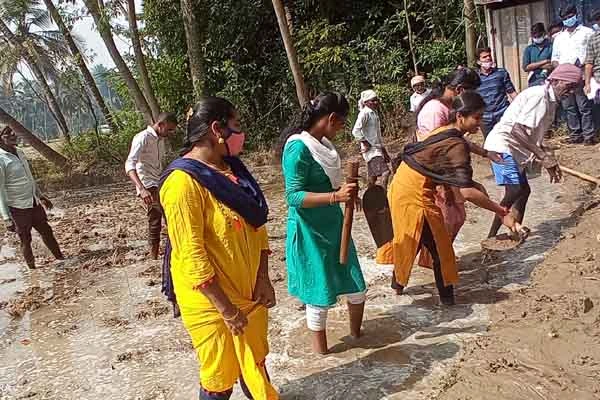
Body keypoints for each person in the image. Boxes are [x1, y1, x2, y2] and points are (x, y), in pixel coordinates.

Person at [159, 97, 278, 400]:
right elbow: (191, 254)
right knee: (220, 375)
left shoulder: (235, 170)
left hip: (249, 288)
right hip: (211, 301)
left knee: (255, 362)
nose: (241, 133)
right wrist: (226, 308)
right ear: (217, 129)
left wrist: (263, 277)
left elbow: (256, 223)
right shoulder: (182, 183)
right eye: (236, 125)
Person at [388, 91, 518, 305]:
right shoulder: (456, 145)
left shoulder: (447, 130)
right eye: (476, 117)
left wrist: (486, 154)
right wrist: (501, 211)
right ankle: (448, 304)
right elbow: (466, 192)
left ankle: (397, 290)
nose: (480, 122)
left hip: (403, 184)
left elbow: (465, 143)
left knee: (417, 239)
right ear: (460, 117)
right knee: (440, 247)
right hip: (413, 192)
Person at [281, 92, 366, 355]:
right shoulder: (297, 148)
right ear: (330, 118)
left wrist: (345, 192)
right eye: (341, 124)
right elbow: (293, 196)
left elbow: (327, 183)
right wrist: (335, 196)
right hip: (309, 230)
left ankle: (356, 337)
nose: (341, 130)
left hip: (334, 224)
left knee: (356, 286)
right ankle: (322, 355)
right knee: (319, 294)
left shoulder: (325, 145)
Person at [485, 64, 581, 238]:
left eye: (575, 88)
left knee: (523, 190)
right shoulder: (540, 97)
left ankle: (514, 233)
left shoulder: (550, 101)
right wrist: (542, 156)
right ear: (556, 80)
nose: (571, 92)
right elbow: (517, 130)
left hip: (514, 149)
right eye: (569, 86)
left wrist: (548, 157)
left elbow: (533, 135)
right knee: (514, 190)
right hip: (501, 147)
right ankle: (491, 237)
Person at [0, 127, 63, 269]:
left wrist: (40, 196)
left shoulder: (20, 153)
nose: (12, 135)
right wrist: (6, 218)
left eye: (13, 132)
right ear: (0, 139)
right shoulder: (1, 159)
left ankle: (61, 259)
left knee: (47, 231)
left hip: (33, 202)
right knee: (25, 239)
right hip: (17, 207)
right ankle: (32, 271)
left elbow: (30, 178)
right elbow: (1, 190)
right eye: (7, 133)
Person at [125, 112, 177, 260]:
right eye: (169, 130)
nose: (170, 133)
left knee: (159, 217)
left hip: (159, 181)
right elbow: (129, 164)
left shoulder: (160, 140)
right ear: (160, 125)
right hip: (147, 184)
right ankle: (158, 256)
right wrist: (141, 189)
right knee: (162, 215)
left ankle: (158, 255)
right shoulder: (142, 138)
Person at [552, 4, 595, 144]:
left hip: (581, 75)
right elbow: (554, 58)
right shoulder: (559, 38)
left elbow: (592, 54)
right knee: (569, 107)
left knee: (584, 106)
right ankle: (575, 135)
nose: (568, 20)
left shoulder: (587, 33)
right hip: (564, 78)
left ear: (576, 15)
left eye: (570, 17)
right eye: (565, 18)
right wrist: (561, 70)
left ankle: (589, 135)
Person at [352, 90, 391, 187]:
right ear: (365, 102)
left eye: (376, 100)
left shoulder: (374, 113)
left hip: (376, 149)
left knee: (372, 177)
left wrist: (384, 150)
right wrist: (365, 142)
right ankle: (383, 193)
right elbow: (355, 131)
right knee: (386, 172)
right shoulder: (364, 113)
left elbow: (377, 134)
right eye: (372, 101)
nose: (375, 103)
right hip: (371, 151)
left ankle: (369, 195)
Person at [476, 47, 518, 138]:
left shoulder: (501, 73)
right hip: (485, 117)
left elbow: (511, 92)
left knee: (508, 139)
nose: (488, 58)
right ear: (478, 62)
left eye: (489, 56)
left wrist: (520, 105)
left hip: (503, 113)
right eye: (484, 57)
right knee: (490, 143)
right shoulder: (475, 78)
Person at [523, 23, 553, 87]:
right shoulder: (529, 49)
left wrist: (533, 66)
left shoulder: (551, 46)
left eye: (538, 36)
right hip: (533, 81)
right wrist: (544, 62)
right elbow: (526, 67)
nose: (536, 38)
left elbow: (551, 65)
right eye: (534, 36)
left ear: (543, 33)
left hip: (549, 80)